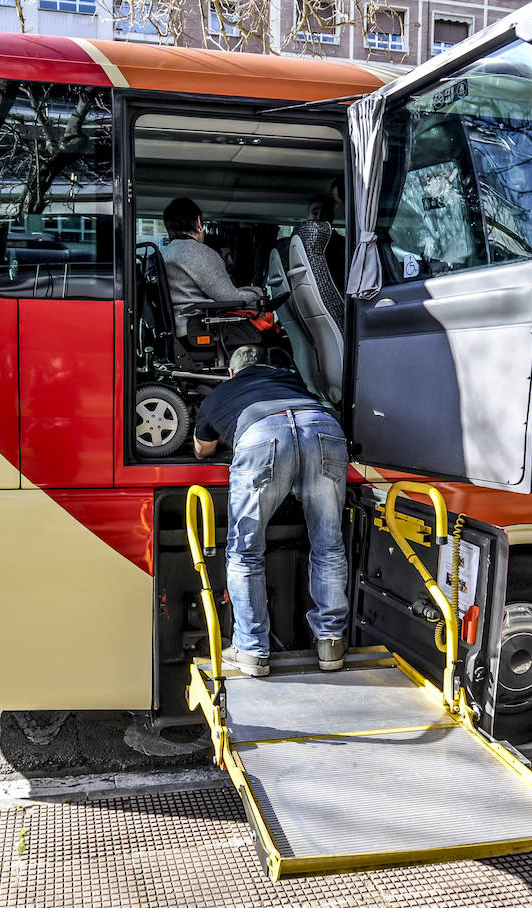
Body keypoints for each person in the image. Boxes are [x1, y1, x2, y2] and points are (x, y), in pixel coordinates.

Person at [193, 345, 349, 677]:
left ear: (232, 374)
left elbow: (201, 449)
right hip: (323, 427)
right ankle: (331, 642)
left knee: (245, 551)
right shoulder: (291, 380)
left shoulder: (221, 392)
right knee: (329, 545)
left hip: (262, 435)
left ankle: (251, 651)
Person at [161, 197, 263, 338]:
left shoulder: (165, 253)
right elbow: (229, 298)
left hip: (178, 329)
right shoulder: (200, 252)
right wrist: (258, 293)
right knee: (267, 337)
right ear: (198, 222)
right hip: (199, 329)